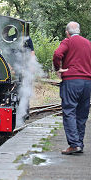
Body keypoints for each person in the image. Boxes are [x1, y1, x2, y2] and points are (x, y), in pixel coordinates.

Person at [53, 21, 91, 155]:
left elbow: (57, 54)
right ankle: (79, 143)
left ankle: (74, 145)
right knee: (82, 114)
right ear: (79, 31)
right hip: (87, 83)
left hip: (71, 81)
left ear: (67, 32)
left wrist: (58, 68)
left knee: (69, 111)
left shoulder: (67, 41)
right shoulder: (88, 43)